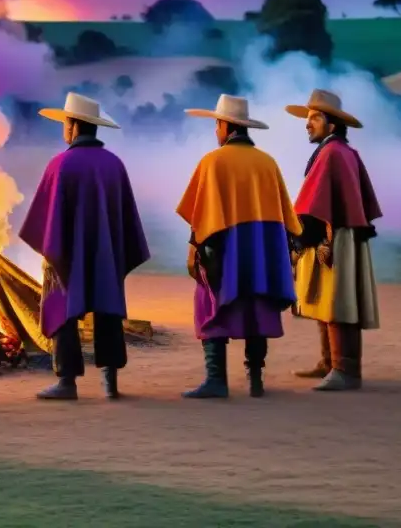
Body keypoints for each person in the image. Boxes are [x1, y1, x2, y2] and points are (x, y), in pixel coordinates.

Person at [19, 92, 150, 401]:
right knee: (108, 306)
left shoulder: (60, 165)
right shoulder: (114, 165)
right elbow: (125, 218)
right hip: (105, 253)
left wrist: (53, 251)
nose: (64, 129)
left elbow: (46, 219)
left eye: (65, 122)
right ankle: (111, 382)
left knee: (61, 304)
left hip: (67, 253)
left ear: (74, 125)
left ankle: (67, 382)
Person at [176, 95, 302, 399]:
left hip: (223, 247)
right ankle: (255, 379)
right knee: (257, 307)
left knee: (210, 305)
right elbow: (287, 219)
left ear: (223, 125)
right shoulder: (268, 163)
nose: (215, 131)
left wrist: (195, 249)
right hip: (261, 250)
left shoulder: (212, 161)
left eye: (216, 125)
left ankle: (216, 380)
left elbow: (198, 216)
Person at [285, 89, 381, 391]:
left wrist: (303, 239)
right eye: (309, 117)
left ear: (332, 123)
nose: (308, 123)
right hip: (336, 234)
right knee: (331, 298)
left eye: (315, 117)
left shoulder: (332, 153)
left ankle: (345, 369)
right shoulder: (340, 151)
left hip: (334, 237)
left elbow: (315, 202)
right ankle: (330, 363)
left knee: (338, 300)